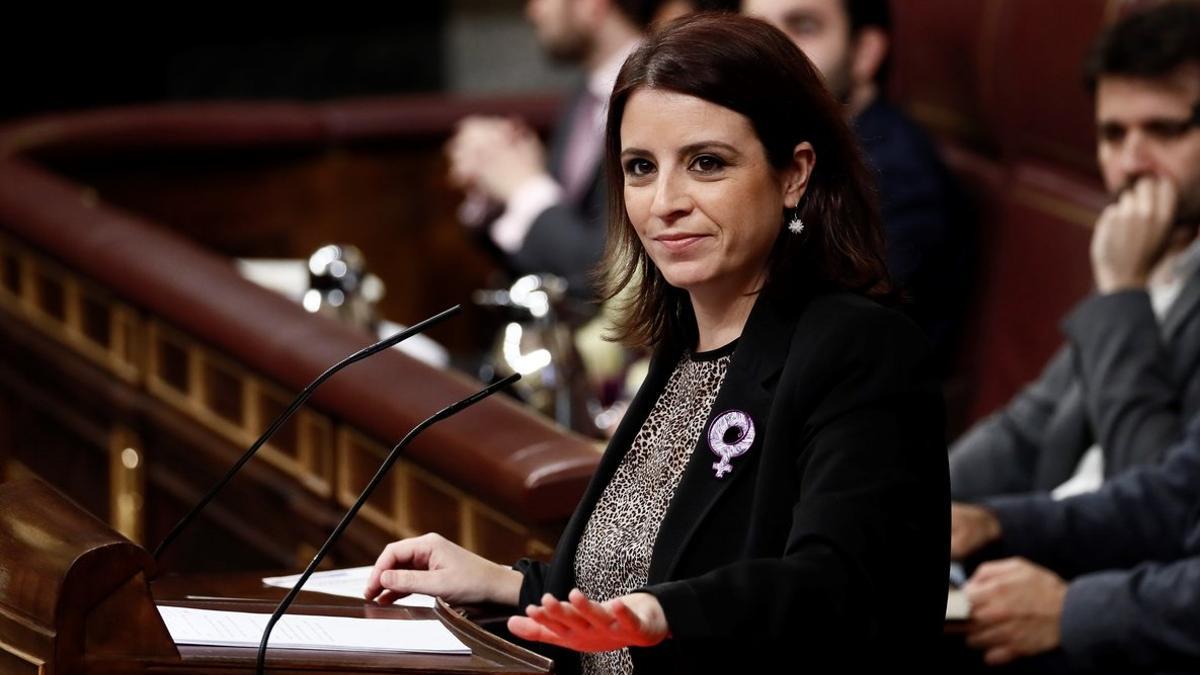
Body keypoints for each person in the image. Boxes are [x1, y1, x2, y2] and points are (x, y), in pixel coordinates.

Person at [368, 14, 948, 674]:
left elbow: (841, 586)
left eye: (706, 163)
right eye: (640, 168)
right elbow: (640, 569)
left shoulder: (859, 348)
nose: (664, 201)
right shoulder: (685, 342)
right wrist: (507, 584)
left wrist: (664, 613)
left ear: (795, 173)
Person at [949, 0, 1200, 501]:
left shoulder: (1130, 267)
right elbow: (1027, 429)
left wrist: (1122, 295)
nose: (1131, 163)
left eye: (1164, 131)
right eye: (1113, 134)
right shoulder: (1148, 252)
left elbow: (1157, 499)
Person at [742, 0, 970, 358]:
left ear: (864, 52)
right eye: (754, 32)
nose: (769, 53)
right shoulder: (775, 146)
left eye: (803, 27)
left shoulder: (896, 179)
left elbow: (831, 343)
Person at [448, 0, 663, 300]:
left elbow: (610, 273)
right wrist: (497, 184)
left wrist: (525, 189)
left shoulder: (661, 94)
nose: (532, 12)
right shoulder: (582, 99)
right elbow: (556, 249)